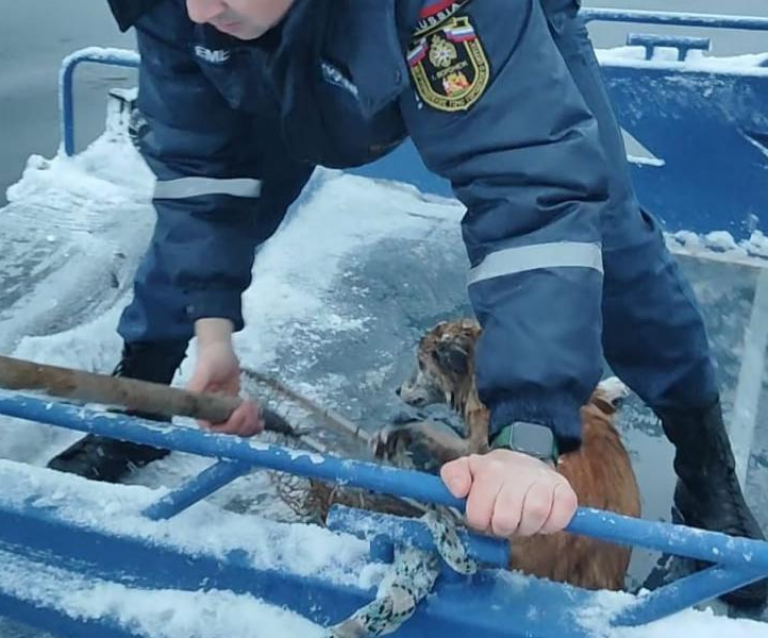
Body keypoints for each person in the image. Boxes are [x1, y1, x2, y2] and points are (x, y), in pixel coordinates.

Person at [48, 0, 766, 607]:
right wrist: (211, 339)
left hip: (472, 31)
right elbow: (201, 172)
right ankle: (139, 398)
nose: (196, 8)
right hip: (279, 47)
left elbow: (531, 198)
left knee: (603, 231)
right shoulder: (194, 8)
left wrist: (525, 441)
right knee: (210, 189)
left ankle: (709, 483)